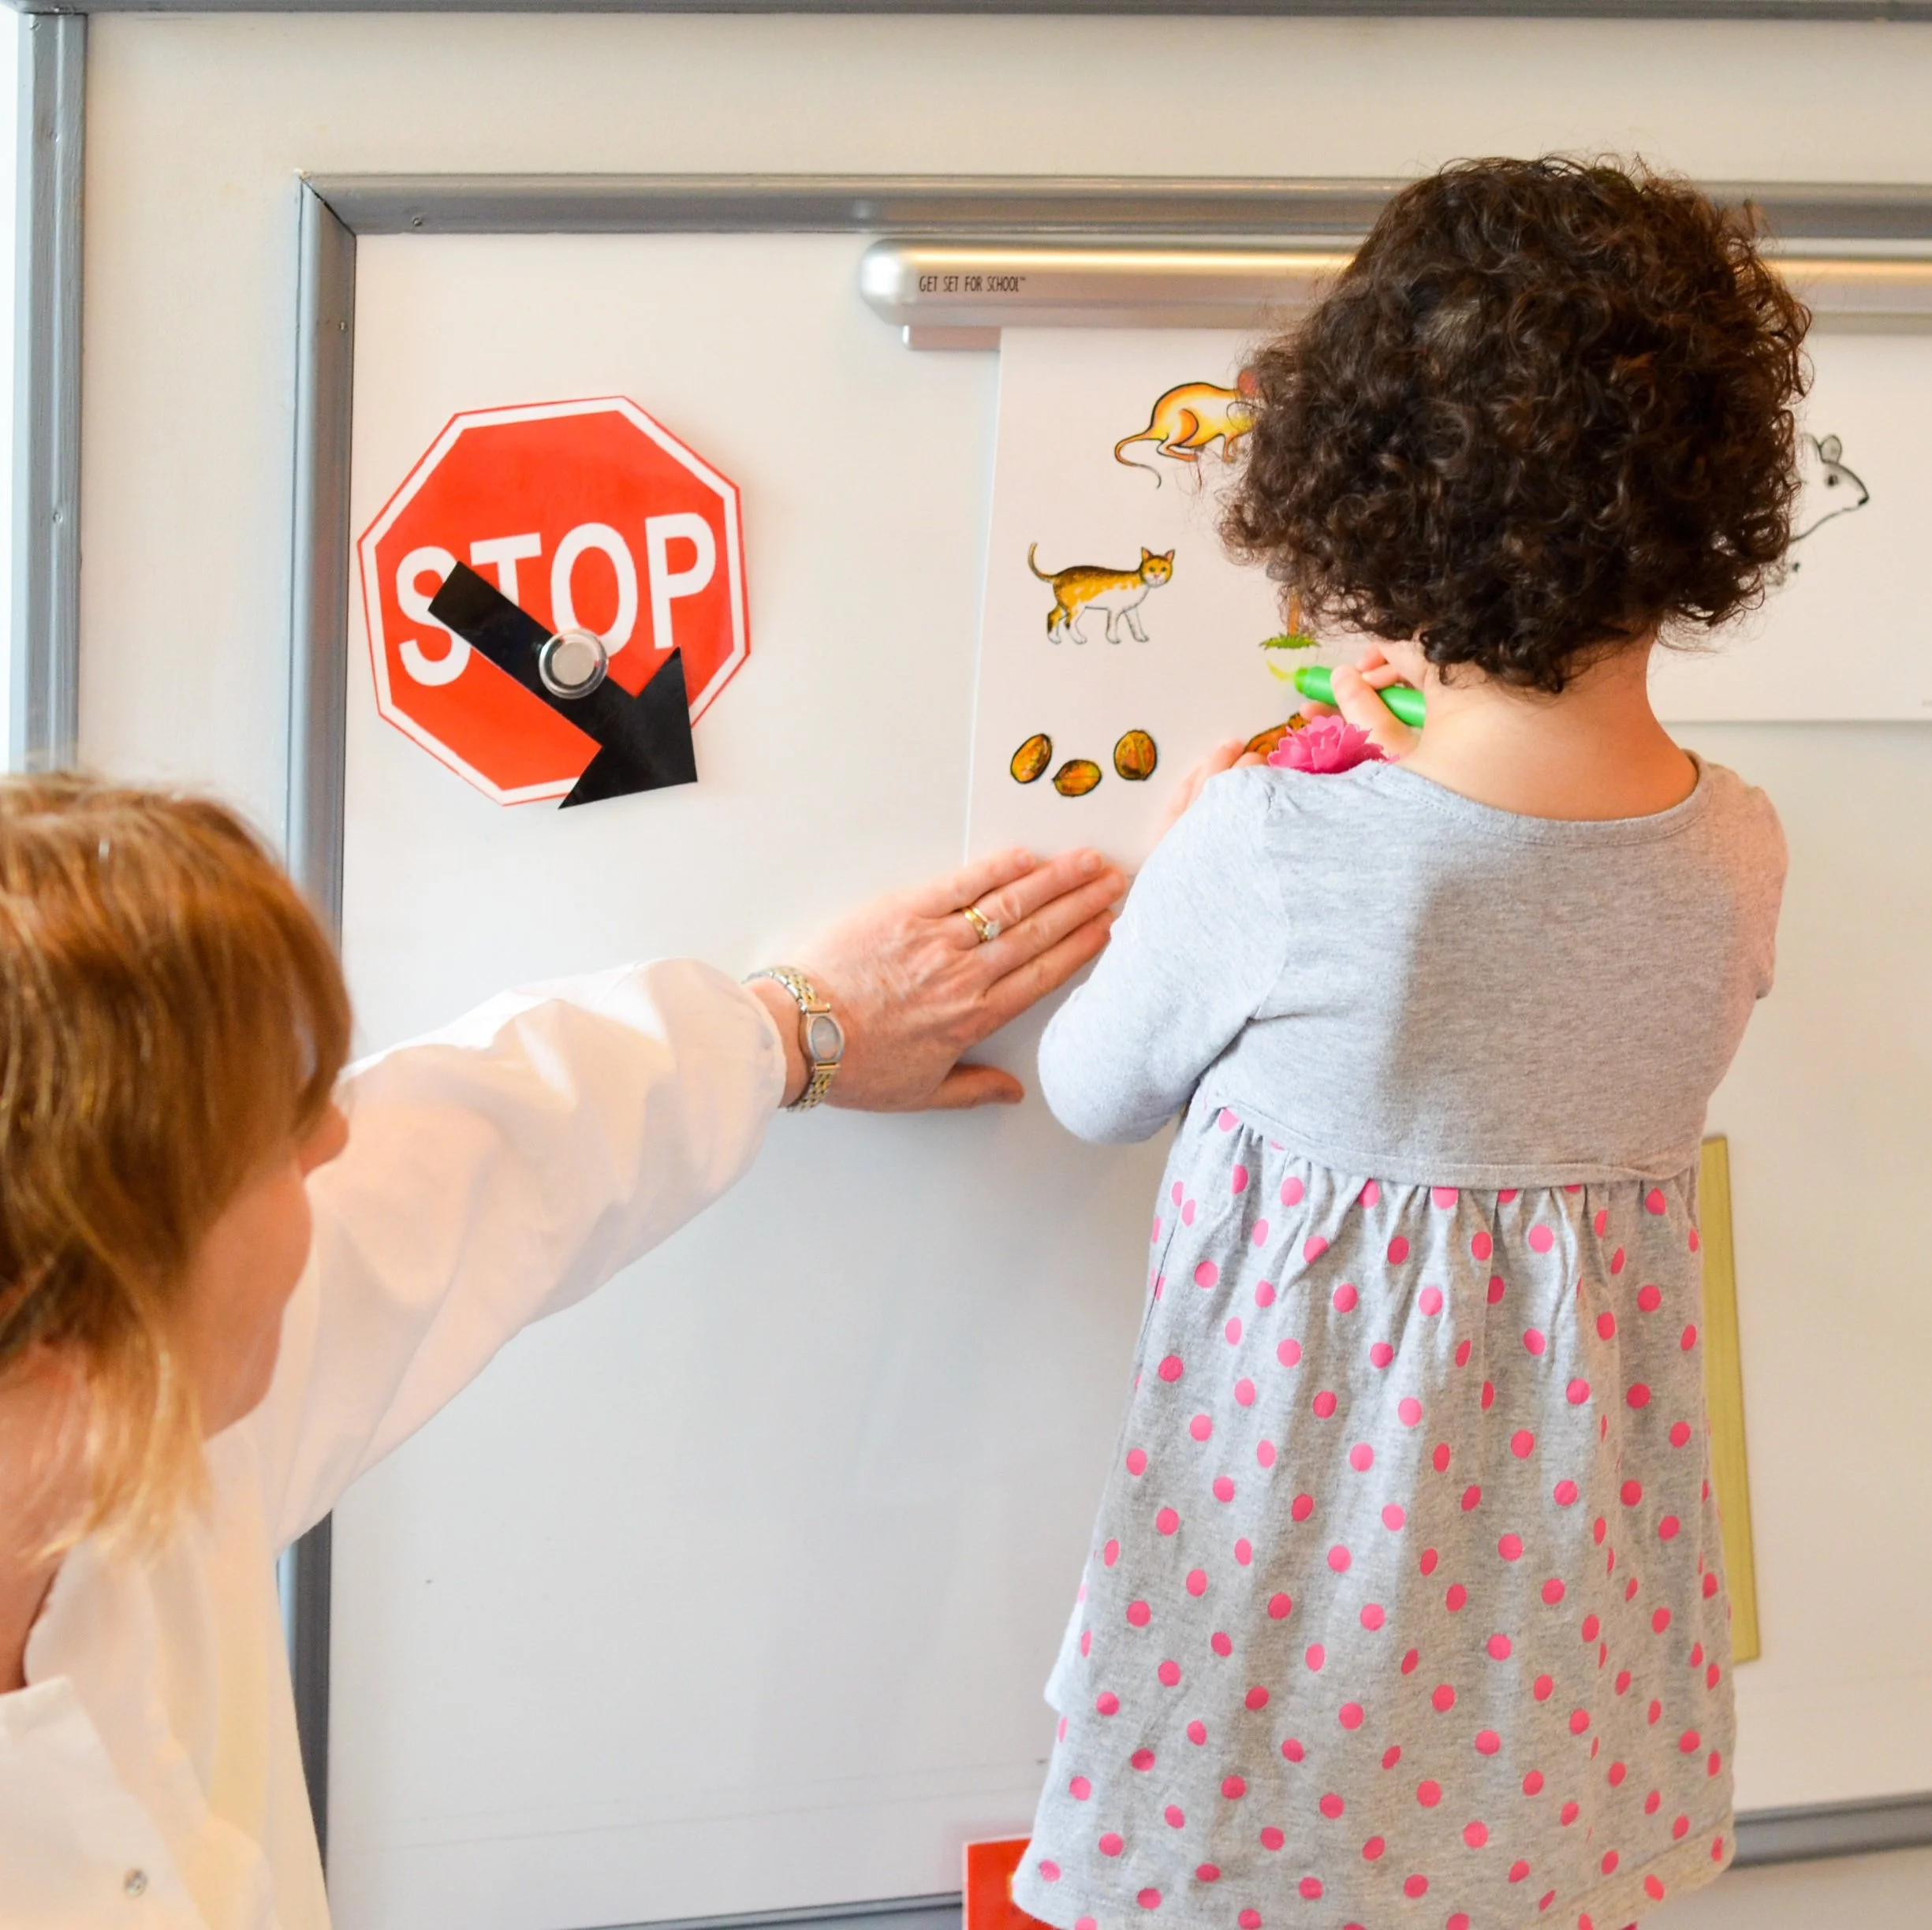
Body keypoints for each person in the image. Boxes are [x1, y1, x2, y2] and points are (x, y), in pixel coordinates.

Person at [1012, 158, 1798, 1930]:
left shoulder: (1283, 844)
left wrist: (1216, 829)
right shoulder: (1739, 840)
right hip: (1565, 1615)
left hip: (1290, 1602)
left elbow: (1088, 1087)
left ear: (1360, 489)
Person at [0, 773, 1123, 1928]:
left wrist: (796, 1023)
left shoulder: (137, 1411)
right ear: (74, 1305)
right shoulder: (167, 1412)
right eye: (271, 1145)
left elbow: (482, 1142)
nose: (333, 1139)